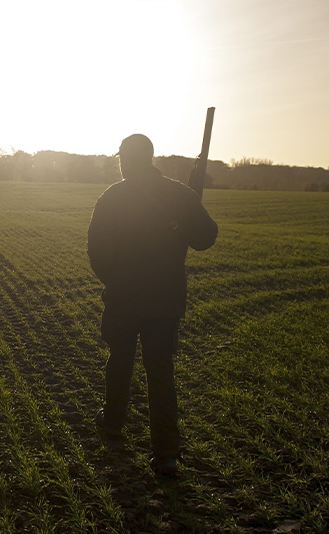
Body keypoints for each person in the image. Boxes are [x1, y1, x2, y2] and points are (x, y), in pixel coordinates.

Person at [87, 134, 217, 476]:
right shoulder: (181, 193)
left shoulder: (112, 197)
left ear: (124, 160)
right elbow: (206, 238)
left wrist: (115, 280)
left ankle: (113, 422)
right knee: (160, 374)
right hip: (166, 301)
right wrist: (188, 214)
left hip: (123, 299)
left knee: (120, 361)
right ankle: (166, 455)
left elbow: (97, 253)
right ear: (151, 157)